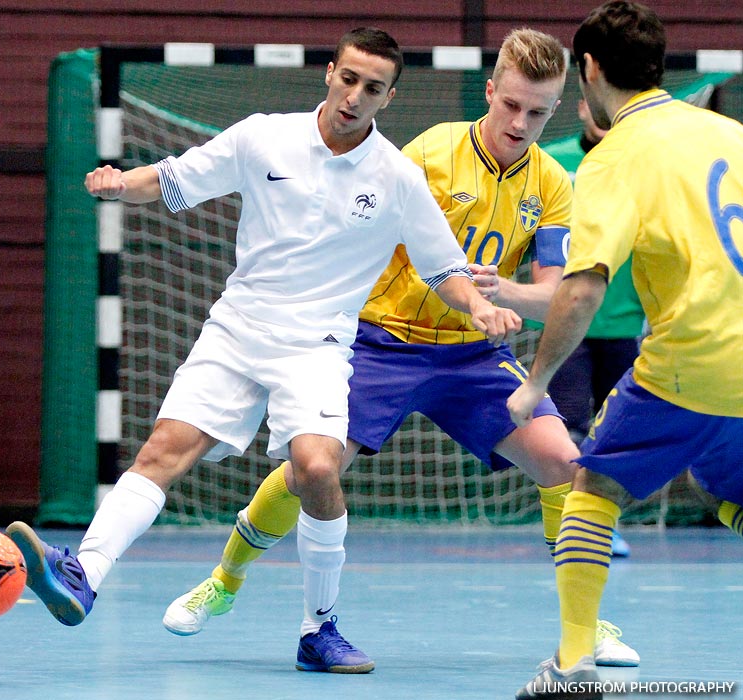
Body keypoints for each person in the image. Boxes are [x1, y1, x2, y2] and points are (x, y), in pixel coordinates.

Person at [6, 27, 521, 675]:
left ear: (388, 98)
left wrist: (475, 303)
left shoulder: (397, 177)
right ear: (328, 73)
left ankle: (319, 628)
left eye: (372, 88)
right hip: (239, 329)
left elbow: (441, 264)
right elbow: (171, 179)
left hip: (318, 345)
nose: (355, 96)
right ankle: (84, 573)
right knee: (163, 450)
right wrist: (117, 184)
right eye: (348, 79)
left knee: (316, 469)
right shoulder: (261, 136)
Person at [163, 27, 639, 669]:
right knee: (315, 470)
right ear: (490, 91)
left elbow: (551, 293)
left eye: (538, 111)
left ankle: (587, 623)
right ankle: (224, 581)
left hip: (472, 357)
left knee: (564, 461)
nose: (521, 122)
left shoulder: (553, 183)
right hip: (381, 342)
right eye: (511, 105)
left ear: (556, 109)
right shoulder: (427, 154)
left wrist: (502, 300)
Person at [507, 2, 743, 697]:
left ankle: (573, 664)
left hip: (694, 355)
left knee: (593, 487)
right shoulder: (727, 131)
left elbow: (579, 289)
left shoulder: (613, 157)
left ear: (587, 70)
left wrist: (534, 380)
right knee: (723, 487)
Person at [545, 97, 646, 558]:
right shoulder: (554, 161)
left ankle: (605, 521)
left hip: (624, 321)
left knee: (618, 431)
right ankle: (573, 519)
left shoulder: (641, 165)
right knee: (566, 426)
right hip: (569, 322)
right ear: (583, 107)